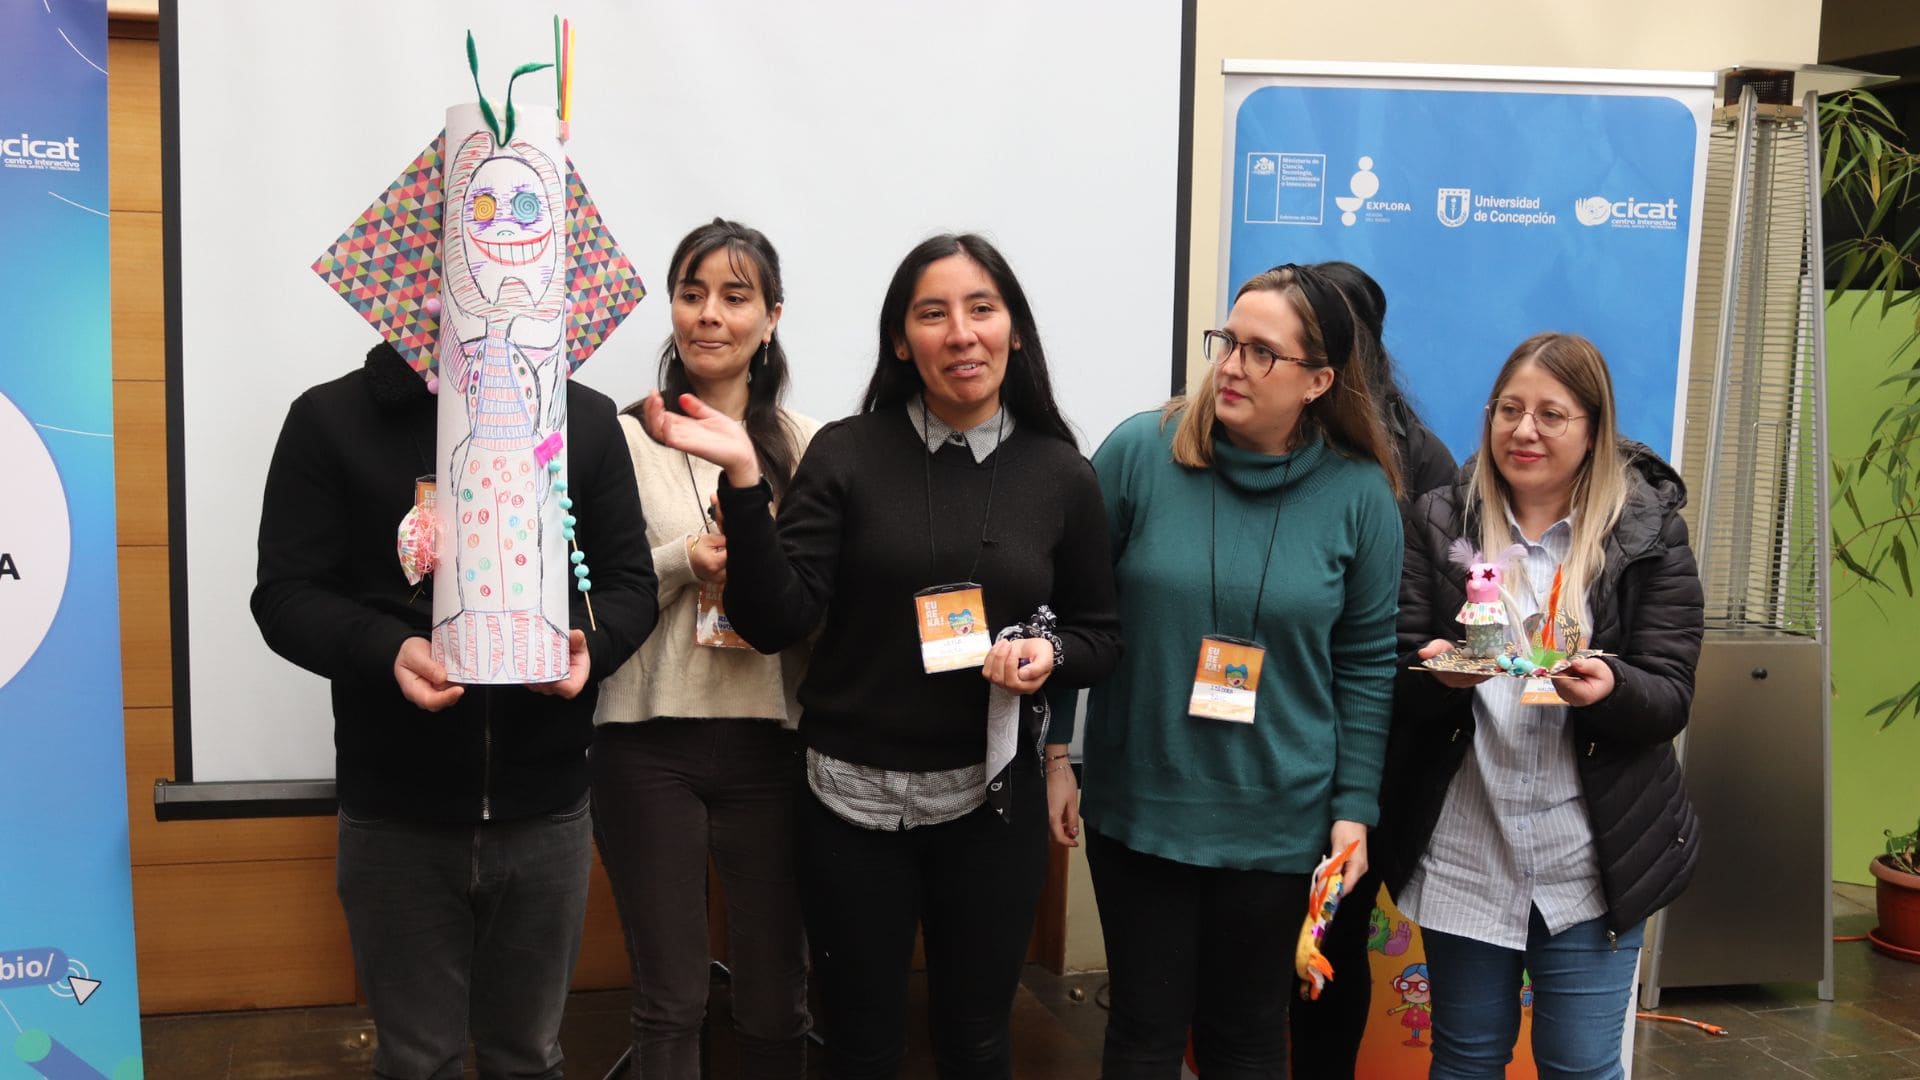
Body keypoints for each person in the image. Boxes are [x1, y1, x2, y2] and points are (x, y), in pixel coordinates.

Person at [642, 232, 1123, 1079]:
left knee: (977, 1041)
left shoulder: (1060, 474)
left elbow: (1101, 634)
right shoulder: (848, 452)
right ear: (902, 341)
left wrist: (1048, 651)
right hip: (848, 804)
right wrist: (746, 481)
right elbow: (774, 620)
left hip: (991, 804)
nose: (960, 333)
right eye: (932, 314)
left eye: (981, 309)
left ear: (1014, 330)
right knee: (862, 1046)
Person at [253, 340, 659, 1077]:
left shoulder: (584, 420)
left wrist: (589, 647)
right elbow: (285, 596)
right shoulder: (331, 418)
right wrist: (387, 648)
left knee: (529, 1057)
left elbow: (630, 585)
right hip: (395, 814)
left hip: (547, 810)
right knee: (417, 1061)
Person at [1049, 263, 1404, 1079]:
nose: (1232, 367)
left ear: (1319, 380)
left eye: (1261, 352)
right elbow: (1076, 612)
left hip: (1280, 819)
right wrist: (1057, 753)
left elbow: (1365, 667)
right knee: (1143, 1031)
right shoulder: (1141, 453)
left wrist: (1353, 809)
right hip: (1144, 804)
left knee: (1245, 1039)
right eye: (1228, 342)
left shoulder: (1360, 496)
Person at [1380, 332, 1703, 1079]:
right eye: (1509, 410)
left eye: (1551, 414)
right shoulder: (1438, 521)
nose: (1523, 431)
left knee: (1581, 1066)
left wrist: (1612, 690)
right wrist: (1436, 677)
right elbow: (1396, 670)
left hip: (1591, 858)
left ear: (1593, 429)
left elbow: (1670, 693)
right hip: (1468, 847)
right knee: (1465, 1062)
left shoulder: (1646, 530)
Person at [592, 219, 818, 1078]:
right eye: (691, 295)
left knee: (775, 996)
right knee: (670, 1000)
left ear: (772, 317)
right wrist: (682, 560)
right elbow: (587, 591)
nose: (709, 315)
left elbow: (820, 600)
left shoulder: (808, 444)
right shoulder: (618, 439)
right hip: (644, 742)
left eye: (734, 296)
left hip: (774, 743)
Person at [1289, 259, 1455, 1078]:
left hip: (1367, 740)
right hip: (1263, 730)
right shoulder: (1261, 436)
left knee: (1334, 935)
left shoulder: (1416, 458)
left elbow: (1438, 610)